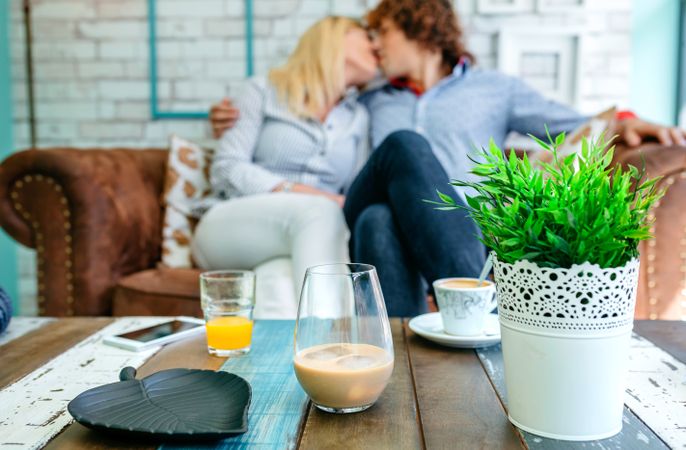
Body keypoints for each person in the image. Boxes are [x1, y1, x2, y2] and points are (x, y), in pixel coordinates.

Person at [209, 0, 686, 317]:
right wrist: (228, 118)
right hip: (361, 214)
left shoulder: (493, 89)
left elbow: (571, 124)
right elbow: (311, 106)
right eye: (368, 37)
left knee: (378, 219)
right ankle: (474, 304)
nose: (375, 44)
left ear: (418, 28)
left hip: (450, 227)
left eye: (383, 32)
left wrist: (625, 121)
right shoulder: (369, 98)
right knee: (402, 145)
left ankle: (397, 355)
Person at [192, 16, 378, 308]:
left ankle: (279, 353)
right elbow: (226, 168)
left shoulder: (359, 117)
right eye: (366, 36)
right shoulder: (262, 90)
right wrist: (312, 196)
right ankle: (329, 339)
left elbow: (354, 193)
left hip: (304, 238)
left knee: (278, 282)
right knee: (321, 211)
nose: (375, 43)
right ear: (334, 39)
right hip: (232, 224)